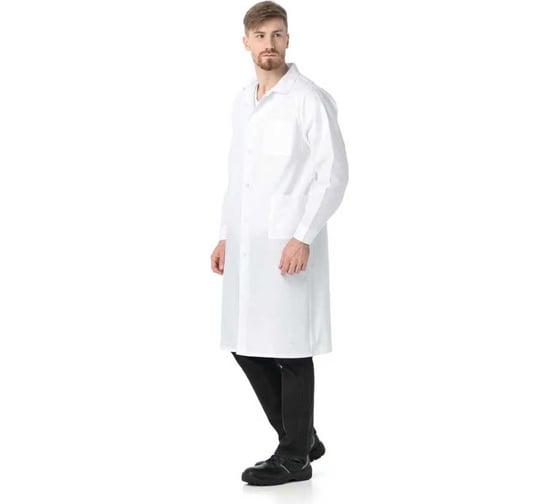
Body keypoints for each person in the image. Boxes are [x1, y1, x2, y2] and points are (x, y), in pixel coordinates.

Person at [210, 1, 349, 486]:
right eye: (260, 36)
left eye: (277, 34)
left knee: (290, 349)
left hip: (288, 245)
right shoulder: (242, 101)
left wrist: (303, 236)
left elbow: (334, 175)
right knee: (244, 344)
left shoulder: (309, 99)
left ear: (288, 40)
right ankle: (303, 437)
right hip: (247, 245)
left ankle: (293, 457)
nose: (268, 44)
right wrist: (225, 235)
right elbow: (238, 177)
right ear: (245, 42)